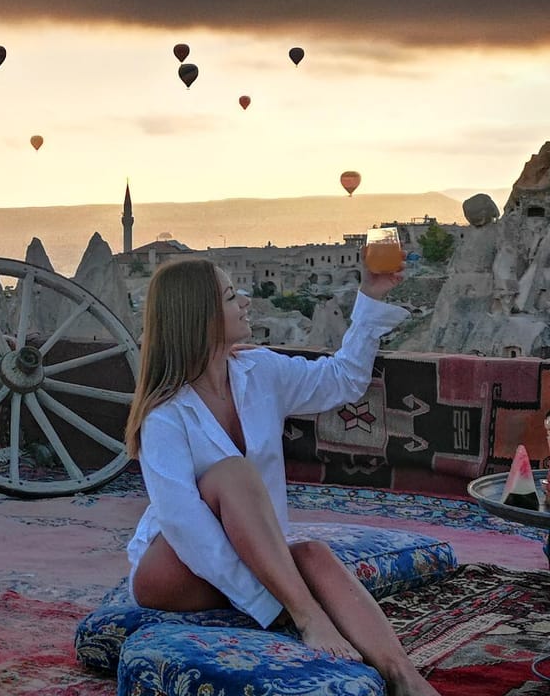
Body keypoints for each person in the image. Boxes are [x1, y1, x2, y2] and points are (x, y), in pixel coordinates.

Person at [124, 257, 441, 696]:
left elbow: (343, 380)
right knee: (233, 474)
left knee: (313, 554)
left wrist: (370, 296)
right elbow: (183, 525)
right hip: (175, 567)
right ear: (201, 316)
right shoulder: (164, 415)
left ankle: (406, 678)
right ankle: (309, 620)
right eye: (233, 297)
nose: (247, 302)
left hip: (252, 554)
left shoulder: (261, 373)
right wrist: (275, 605)